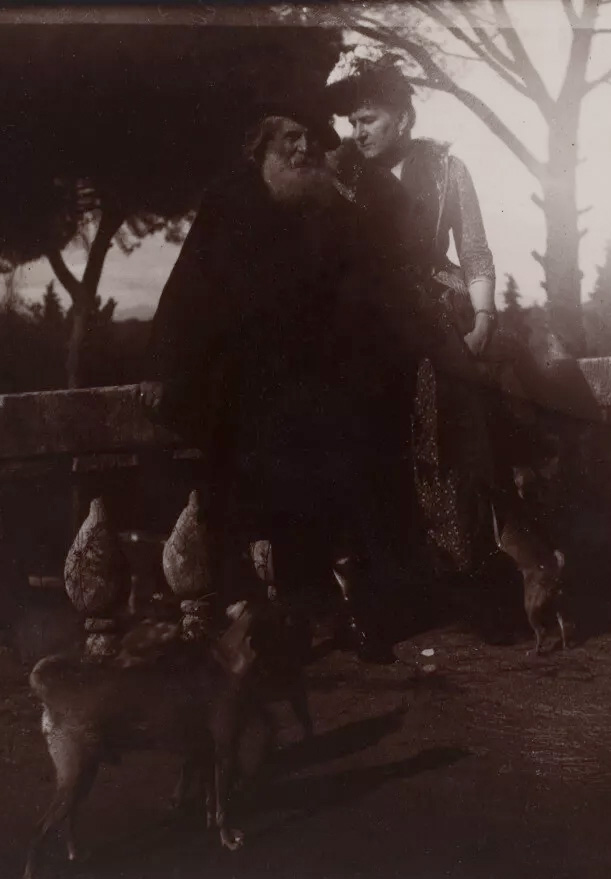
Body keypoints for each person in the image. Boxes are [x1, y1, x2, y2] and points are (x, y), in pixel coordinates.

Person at [137, 101, 401, 664]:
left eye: (308, 137)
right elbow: (187, 289)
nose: (303, 147)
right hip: (244, 388)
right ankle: (255, 633)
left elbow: (361, 292)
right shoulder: (228, 201)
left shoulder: (329, 204)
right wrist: (162, 366)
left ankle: (333, 618)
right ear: (260, 147)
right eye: (289, 138)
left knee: (326, 504)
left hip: (317, 383)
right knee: (244, 511)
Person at [325, 54, 519, 587]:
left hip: (437, 312)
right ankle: (387, 578)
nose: (356, 131)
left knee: (449, 430)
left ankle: (464, 571)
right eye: (352, 122)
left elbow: (475, 251)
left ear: (404, 119)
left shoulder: (447, 171)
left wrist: (483, 315)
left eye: (369, 120)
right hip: (364, 320)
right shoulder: (338, 173)